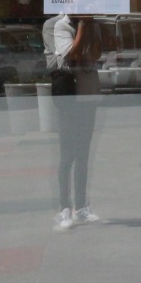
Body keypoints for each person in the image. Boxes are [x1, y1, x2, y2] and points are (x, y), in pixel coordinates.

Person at [49, 13, 102, 231]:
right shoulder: (61, 26)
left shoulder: (92, 24)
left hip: (88, 95)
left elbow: (96, 54)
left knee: (83, 154)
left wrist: (90, 26)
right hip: (70, 96)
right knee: (67, 154)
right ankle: (64, 207)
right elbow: (75, 54)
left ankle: (81, 206)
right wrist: (81, 25)